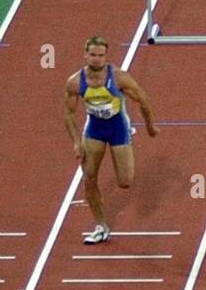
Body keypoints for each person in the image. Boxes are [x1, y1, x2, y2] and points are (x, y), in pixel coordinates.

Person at [62, 36, 158, 244]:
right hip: (94, 130)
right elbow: (68, 114)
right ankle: (101, 226)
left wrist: (150, 126)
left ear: (106, 56)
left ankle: (122, 149)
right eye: (93, 55)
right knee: (89, 178)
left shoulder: (119, 78)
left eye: (101, 55)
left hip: (118, 128)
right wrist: (76, 142)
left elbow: (143, 99)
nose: (97, 59)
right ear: (85, 55)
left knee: (125, 182)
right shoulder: (74, 82)